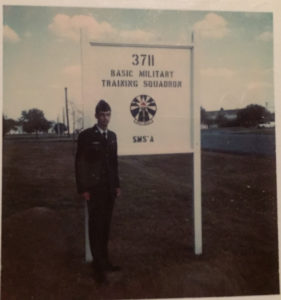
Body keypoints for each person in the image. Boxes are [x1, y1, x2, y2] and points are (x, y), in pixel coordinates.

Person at [75, 100, 121, 284]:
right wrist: (83, 189)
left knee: (106, 227)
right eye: (102, 114)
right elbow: (80, 164)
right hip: (94, 190)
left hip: (109, 189)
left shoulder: (112, 136)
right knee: (96, 228)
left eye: (108, 114)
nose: (105, 118)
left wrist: (117, 185)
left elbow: (114, 164)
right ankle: (98, 267)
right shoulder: (86, 135)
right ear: (96, 116)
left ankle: (105, 261)